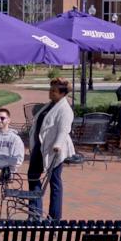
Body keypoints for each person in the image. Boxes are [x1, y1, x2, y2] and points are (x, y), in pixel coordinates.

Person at [27, 77, 74, 221]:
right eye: (50, 90)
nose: (50, 92)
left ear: (62, 93)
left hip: (54, 150)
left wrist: (57, 145)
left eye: (54, 91)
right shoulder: (49, 105)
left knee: (54, 181)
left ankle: (55, 217)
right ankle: (35, 213)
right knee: (33, 176)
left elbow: (64, 130)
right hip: (40, 147)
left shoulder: (65, 109)